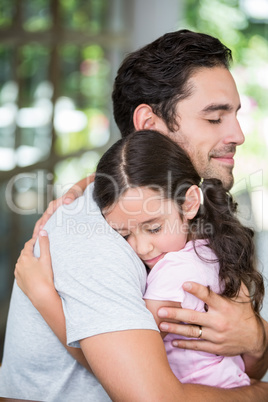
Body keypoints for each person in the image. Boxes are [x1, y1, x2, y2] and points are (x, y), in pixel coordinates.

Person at [1, 29, 268, 400]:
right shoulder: (94, 232)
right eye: (214, 118)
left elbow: (239, 359)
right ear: (149, 124)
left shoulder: (195, 216)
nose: (238, 134)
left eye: (234, 115)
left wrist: (256, 338)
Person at [16, 130, 265, 390]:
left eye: (154, 228)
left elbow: (121, 372)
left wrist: (44, 297)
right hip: (228, 382)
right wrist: (83, 185)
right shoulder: (206, 248)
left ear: (190, 203)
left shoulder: (174, 273)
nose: (142, 248)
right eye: (124, 234)